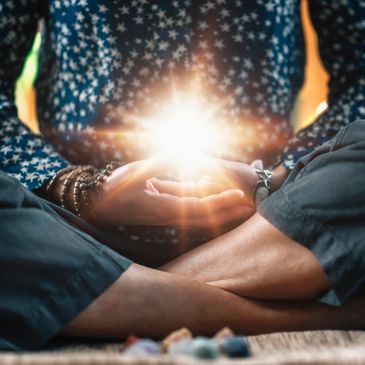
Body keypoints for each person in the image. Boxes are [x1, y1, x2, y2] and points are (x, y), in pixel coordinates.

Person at [1, 119, 365, 352]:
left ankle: (90, 302)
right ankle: (328, 316)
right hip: (76, 232)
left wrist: (268, 180)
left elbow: (356, 75)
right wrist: (86, 190)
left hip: (269, 222)